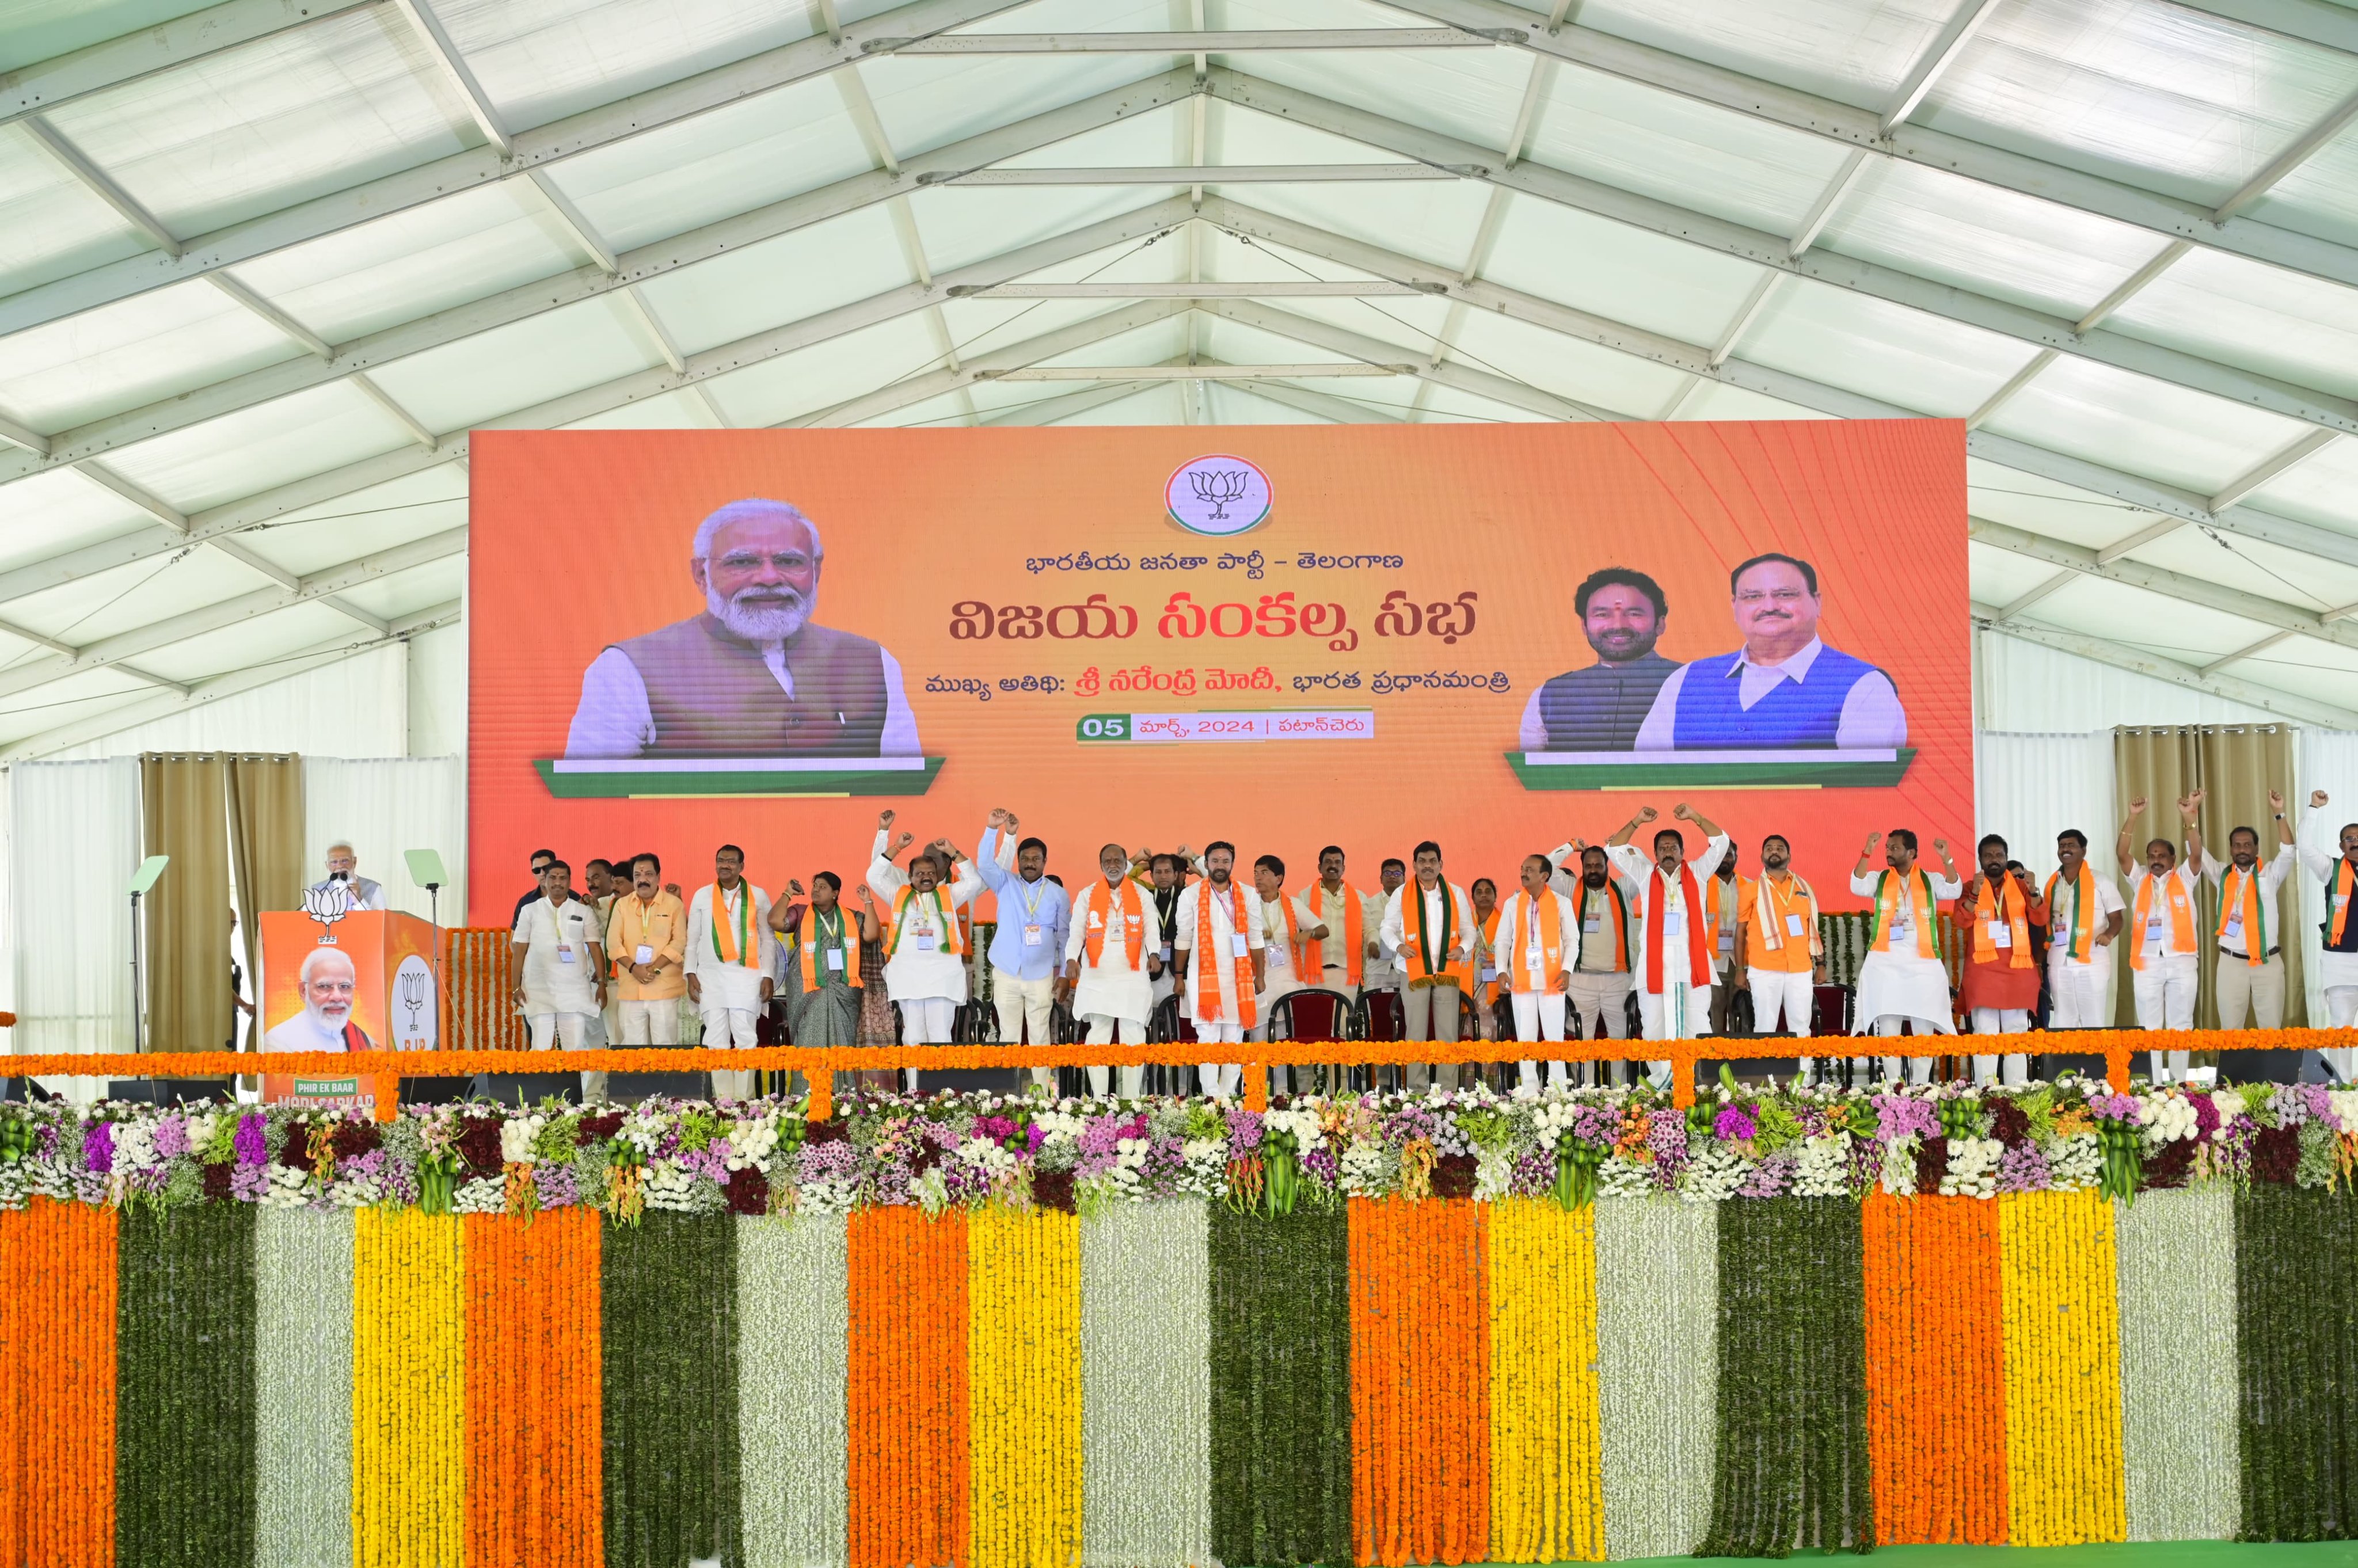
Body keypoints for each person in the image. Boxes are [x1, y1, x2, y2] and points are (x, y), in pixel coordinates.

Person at [566, 497, 920, 758]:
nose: (768, 578)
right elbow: (593, 799)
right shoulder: (626, 668)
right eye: (743, 562)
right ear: (701, 574)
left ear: (816, 571)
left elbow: (905, 787)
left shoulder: (873, 662)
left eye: (789, 561)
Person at [1636, 553, 1906, 752]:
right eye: (1753, 597)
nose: (1769, 607)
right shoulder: (1685, 681)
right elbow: (1647, 779)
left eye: (1785, 594)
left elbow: (1868, 791)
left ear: (1817, 603)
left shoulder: (1865, 687)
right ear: (1735, 607)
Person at [1605, 803, 1729, 1089]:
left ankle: (1697, 1086)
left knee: (1697, 1028)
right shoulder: (1645, 875)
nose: (1668, 851)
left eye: (1674, 847)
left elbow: (1721, 842)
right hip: (1654, 971)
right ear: (1656, 854)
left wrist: (1695, 816)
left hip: (1692, 969)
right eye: (1663, 848)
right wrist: (1637, 821)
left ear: (1683, 852)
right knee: (1653, 1031)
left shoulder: (1698, 872)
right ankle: (1661, 1088)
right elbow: (1614, 849)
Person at [867, 811, 983, 1090]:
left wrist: (953, 851)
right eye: (920, 874)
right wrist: (896, 846)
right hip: (909, 979)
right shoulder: (898, 895)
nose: (926, 877)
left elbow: (975, 881)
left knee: (941, 1036)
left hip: (942, 979)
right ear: (909, 877)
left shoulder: (950, 895)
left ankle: (941, 1095)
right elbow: (874, 875)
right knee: (913, 1038)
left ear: (939, 875)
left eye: (931, 873)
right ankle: (915, 1094)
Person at [1520, 568, 1678, 752]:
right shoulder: (1549, 695)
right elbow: (1533, 767)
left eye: (1634, 614)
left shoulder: (1692, 685)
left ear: (1660, 624)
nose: (1618, 625)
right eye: (1602, 614)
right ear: (1584, 626)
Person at [1850, 829, 1961, 1081]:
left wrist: (1947, 859)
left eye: (1895, 848)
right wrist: (1867, 851)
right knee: (1889, 1032)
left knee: (1923, 1031)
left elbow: (1954, 890)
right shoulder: (1880, 879)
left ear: (1911, 853)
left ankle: (1922, 1089)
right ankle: (1894, 1089)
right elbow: (1857, 885)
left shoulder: (1930, 879)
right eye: (1888, 847)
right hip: (1886, 965)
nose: (1889, 852)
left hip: (1922, 965)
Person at [975, 810, 1071, 1082]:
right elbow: (984, 864)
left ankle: (1042, 1094)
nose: (1030, 863)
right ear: (1018, 861)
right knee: (1009, 1036)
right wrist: (992, 829)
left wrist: (1065, 974)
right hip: (1007, 972)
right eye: (1026, 859)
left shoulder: (1058, 894)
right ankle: (1011, 1093)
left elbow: (1064, 937)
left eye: (1036, 859)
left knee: (1040, 1035)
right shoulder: (1004, 882)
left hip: (1040, 975)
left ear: (1045, 862)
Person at [1063, 843, 1164, 1097]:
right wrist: (1071, 958)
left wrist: (1154, 953)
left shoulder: (1142, 895)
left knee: (1133, 1036)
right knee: (1098, 1036)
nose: (1113, 865)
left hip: (1132, 975)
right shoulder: (1087, 895)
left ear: (1126, 863)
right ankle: (1099, 1099)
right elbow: (1077, 930)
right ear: (1101, 865)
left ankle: (1131, 1099)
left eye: (1117, 860)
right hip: (1098, 976)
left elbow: (1152, 927)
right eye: (1107, 861)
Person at [2119, 796, 2205, 1082]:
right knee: (2149, 1026)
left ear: (2172, 860)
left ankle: (2179, 1084)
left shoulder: (2185, 877)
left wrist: (2189, 818)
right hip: (2147, 963)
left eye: (2161, 856)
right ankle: (2154, 1084)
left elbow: (2197, 854)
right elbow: (2122, 854)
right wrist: (2133, 817)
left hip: (2182, 961)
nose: (2156, 860)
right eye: (2151, 856)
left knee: (2182, 1024)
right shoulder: (2139, 879)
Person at [1380, 840, 1477, 1091]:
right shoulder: (1402, 893)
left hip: (1447, 970)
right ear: (1414, 865)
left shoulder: (1455, 892)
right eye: (1422, 861)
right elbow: (1387, 928)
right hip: (1413, 970)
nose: (1427, 866)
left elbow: (1469, 929)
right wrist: (1398, 946)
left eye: (1433, 861)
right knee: (1415, 1033)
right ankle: (1417, 1091)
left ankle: (1448, 1092)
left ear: (1441, 864)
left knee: (1448, 1034)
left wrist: (1463, 948)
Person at [685, 844, 776, 1100]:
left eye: (731, 861)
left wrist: (768, 975)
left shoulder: (758, 895)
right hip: (710, 978)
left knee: (746, 1037)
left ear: (741, 866)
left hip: (747, 977)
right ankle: (724, 1103)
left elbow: (768, 940)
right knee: (715, 1039)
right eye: (721, 861)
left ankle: (745, 1103)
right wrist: (690, 973)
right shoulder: (702, 895)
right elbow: (692, 940)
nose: (725, 865)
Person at [2200, 789, 2298, 1030]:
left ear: (2256, 848)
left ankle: (2270, 1060)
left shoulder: (2270, 873)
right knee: (2230, 1031)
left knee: (2271, 1030)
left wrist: (2279, 813)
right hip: (2231, 962)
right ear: (2231, 849)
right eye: (2237, 845)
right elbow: (2197, 853)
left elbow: (2289, 850)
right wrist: (2190, 817)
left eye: (2247, 845)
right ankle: (2231, 1061)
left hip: (2267, 960)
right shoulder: (2221, 874)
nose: (2242, 849)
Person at [1174, 842, 1264, 1098]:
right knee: (1208, 1037)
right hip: (1203, 977)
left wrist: (1260, 975)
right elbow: (1184, 938)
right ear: (1206, 864)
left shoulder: (1248, 894)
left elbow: (1256, 938)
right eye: (1215, 861)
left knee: (1234, 1037)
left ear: (1232, 864)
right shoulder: (1190, 895)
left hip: (1239, 977)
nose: (1220, 866)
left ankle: (1229, 1097)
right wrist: (1179, 976)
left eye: (1226, 861)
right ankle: (1211, 1098)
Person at [1955, 836, 2043, 1085]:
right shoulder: (1970, 886)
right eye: (1988, 855)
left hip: (2017, 971)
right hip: (1983, 973)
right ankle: (1985, 1092)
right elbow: (1962, 921)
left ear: (2006, 858)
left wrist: (2034, 890)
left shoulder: (2021, 887)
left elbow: (2039, 918)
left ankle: (2016, 1093)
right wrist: (1975, 894)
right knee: (1985, 1033)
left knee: (2016, 1032)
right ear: (1980, 859)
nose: (1994, 860)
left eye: (1999, 855)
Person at [1546, 843, 1637, 1083]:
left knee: (1619, 1041)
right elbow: (1546, 866)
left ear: (1608, 866)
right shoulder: (1569, 888)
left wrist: (1625, 847)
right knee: (1581, 1042)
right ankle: (1584, 1093)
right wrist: (1570, 847)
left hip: (1617, 979)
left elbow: (1642, 869)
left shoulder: (1624, 889)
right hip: (1580, 980)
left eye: (1599, 865)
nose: (1593, 870)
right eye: (1588, 866)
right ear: (1582, 868)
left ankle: (1620, 1091)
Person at [1494, 854, 1579, 1091]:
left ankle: (1558, 1093)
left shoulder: (1562, 903)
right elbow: (1502, 940)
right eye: (1523, 868)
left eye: (1530, 869)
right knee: (1526, 1039)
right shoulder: (1513, 903)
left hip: (1553, 980)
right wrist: (1501, 970)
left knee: (1555, 1039)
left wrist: (1567, 969)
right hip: (1521, 981)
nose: (1524, 873)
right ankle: (1530, 1093)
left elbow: (1572, 940)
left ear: (1544, 876)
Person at [509, 859, 607, 1053]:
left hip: (574, 990)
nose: (557, 882)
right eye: (553, 878)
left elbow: (595, 948)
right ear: (545, 880)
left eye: (563, 878)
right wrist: (516, 987)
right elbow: (519, 950)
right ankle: (540, 1077)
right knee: (540, 1050)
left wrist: (602, 984)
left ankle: (574, 1077)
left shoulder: (583, 911)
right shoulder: (530, 910)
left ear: (570, 881)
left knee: (575, 1051)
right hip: (539, 989)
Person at [1741, 834, 1823, 1066]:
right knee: (1765, 1027)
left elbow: (1811, 928)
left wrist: (1821, 964)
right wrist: (1740, 970)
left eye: (1780, 848)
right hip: (1765, 968)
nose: (1774, 851)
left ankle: (1803, 1082)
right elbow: (1740, 932)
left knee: (1801, 1027)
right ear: (1762, 855)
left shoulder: (1804, 888)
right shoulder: (1750, 890)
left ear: (1789, 855)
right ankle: (1763, 1081)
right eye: (1769, 848)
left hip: (1800, 968)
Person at [2298, 790, 2358, 1078]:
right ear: (2341, 845)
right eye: (2350, 838)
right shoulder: (2330, 868)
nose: (2355, 842)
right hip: (2340, 965)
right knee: (2341, 1029)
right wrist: (2313, 808)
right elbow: (2304, 846)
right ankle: (2345, 1087)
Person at [781, 871, 875, 1052]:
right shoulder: (801, 914)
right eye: (815, 886)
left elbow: (871, 935)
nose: (816, 890)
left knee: (843, 1042)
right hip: (808, 989)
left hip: (843, 990)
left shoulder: (851, 917)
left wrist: (868, 902)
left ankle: (842, 1072)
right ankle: (809, 1072)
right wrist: (788, 893)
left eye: (822, 887)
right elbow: (775, 921)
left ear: (835, 893)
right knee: (809, 1040)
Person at [2043, 829, 2124, 1029]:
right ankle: (2067, 1053)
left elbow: (2117, 918)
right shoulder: (2053, 884)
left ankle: (2094, 1052)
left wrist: (2109, 935)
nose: (2065, 849)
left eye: (2071, 845)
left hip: (2092, 962)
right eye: (2062, 846)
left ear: (2084, 850)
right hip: (2059, 962)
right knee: (2063, 1022)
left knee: (2093, 1021)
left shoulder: (2101, 881)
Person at [606, 853, 687, 1045]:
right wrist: (634, 968)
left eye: (649, 874)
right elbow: (613, 944)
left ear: (658, 877)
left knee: (665, 1047)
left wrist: (654, 968)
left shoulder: (674, 904)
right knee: (632, 1047)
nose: (643, 880)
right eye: (637, 876)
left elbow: (679, 942)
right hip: (631, 988)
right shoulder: (621, 905)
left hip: (663, 988)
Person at [1250, 855, 1314, 1091]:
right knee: (1259, 1043)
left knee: (1284, 1044)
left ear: (1279, 878)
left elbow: (1322, 929)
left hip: (1288, 981)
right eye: (1256, 872)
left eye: (1264, 872)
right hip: (1258, 982)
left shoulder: (1293, 904)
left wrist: (1308, 934)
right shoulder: (1249, 905)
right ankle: (1258, 1094)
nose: (1258, 877)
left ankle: (1282, 1095)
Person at [1294, 846, 1385, 1002]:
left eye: (1337, 862)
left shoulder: (1358, 897)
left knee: (1344, 1017)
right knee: (1316, 1017)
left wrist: (1373, 944)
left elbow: (1369, 929)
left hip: (1346, 973)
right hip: (1314, 973)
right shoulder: (1305, 896)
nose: (1333, 866)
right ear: (1320, 867)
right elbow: (1296, 928)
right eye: (1328, 862)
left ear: (1343, 868)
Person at [263, 945, 374, 1051]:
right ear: (303, 991)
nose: (337, 997)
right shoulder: (278, 1043)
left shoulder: (365, 1040)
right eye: (324, 986)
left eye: (345, 986)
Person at [1703, 842, 1745, 1035]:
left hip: (1741, 962)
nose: (1724, 859)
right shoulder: (1701, 886)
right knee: (1714, 1019)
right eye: (1719, 854)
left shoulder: (1748, 886)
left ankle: (1741, 1055)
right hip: (1712, 962)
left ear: (1736, 857)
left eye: (1728, 854)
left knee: (1742, 1018)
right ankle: (1714, 1054)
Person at [1361, 858, 1410, 1001]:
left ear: (1404, 878)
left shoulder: (1412, 903)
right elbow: (1366, 932)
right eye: (1388, 873)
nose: (1392, 877)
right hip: (1378, 968)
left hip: (1405, 968)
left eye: (1397, 873)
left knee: (1406, 1011)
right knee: (1376, 1010)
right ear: (1381, 878)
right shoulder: (1369, 904)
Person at [1467, 878, 1502, 1048]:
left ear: (1495, 897)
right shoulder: (1465, 923)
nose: (1484, 895)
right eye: (1479, 892)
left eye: (1488, 891)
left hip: (1497, 984)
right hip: (1470, 985)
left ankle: (1495, 1065)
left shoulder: (1505, 922)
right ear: (1473, 898)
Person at [310, 842, 385, 911]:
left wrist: (359, 901)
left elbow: (383, 920)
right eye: (334, 862)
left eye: (345, 861)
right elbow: (307, 919)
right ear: (327, 866)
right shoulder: (317, 890)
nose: (340, 866)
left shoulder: (373, 888)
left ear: (354, 862)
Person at [512, 847, 557, 924]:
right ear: (533, 874)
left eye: (546, 868)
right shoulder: (526, 902)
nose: (542, 874)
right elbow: (515, 931)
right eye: (537, 871)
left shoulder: (573, 899)